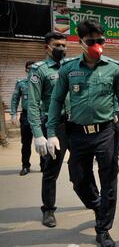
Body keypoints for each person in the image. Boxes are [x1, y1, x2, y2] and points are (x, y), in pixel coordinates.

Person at [46, 20, 119, 247]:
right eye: (91, 41)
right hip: (78, 133)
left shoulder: (115, 68)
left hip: (105, 132)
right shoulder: (68, 69)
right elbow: (55, 100)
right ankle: (98, 206)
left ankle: (103, 229)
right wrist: (51, 132)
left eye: (100, 40)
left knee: (109, 181)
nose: (97, 45)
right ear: (81, 42)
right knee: (78, 179)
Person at [27, 32, 69, 228]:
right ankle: (49, 210)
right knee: (51, 170)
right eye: (57, 45)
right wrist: (38, 134)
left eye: (64, 45)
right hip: (55, 126)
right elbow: (34, 104)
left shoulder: (71, 66)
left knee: (83, 167)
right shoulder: (39, 70)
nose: (61, 48)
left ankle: (93, 200)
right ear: (47, 48)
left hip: (76, 124)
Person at [10, 60, 38, 176]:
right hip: (26, 116)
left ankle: (44, 165)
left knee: (43, 142)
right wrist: (13, 114)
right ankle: (25, 166)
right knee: (26, 143)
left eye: (33, 68)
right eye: (29, 68)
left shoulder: (41, 83)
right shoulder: (21, 83)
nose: (31, 70)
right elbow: (15, 99)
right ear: (26, 69)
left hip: (40, 115)